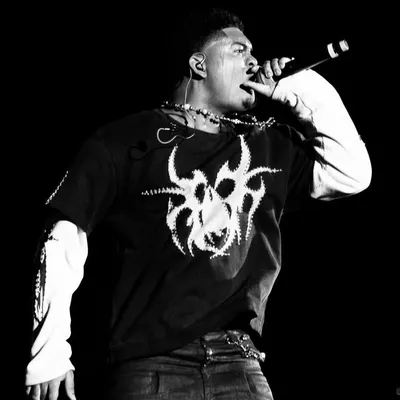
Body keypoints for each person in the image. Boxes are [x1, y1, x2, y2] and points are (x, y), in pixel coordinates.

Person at [25, 7, 372, 400]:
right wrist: (49, 351)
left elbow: (352, 173)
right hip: (150, 365)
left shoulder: (268, 144)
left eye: (253, 53)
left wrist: (301, 89)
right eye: (239, 51)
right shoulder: (126, 139)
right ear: (199, 64)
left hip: (240, 363)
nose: (254, 62)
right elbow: (63, 237)